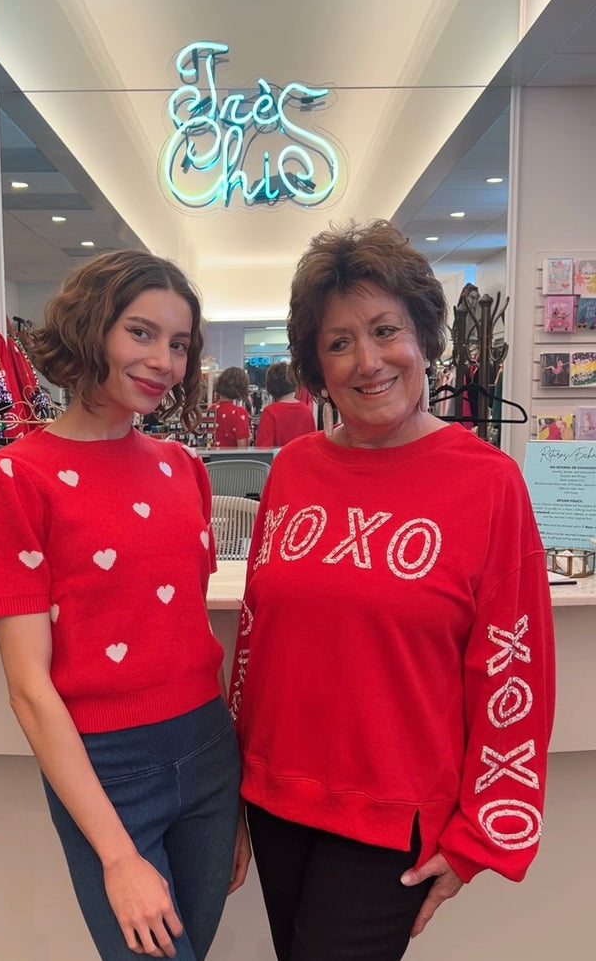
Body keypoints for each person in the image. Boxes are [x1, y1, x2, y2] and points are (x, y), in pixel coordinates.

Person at [229, 220, 555, 961]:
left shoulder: (488, 480)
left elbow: (515, 664)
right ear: (315, 363)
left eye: (385, 331)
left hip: (391, 815)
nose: (367, 361)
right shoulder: (292, 469)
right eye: (339, 341)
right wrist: (235, 785)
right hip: (276, 796)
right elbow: (256, 636)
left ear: (424, 340)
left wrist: (482, 832)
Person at [0, 250, 250, 961]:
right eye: (141, 333)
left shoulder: (183, 470)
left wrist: (234, 800)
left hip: (209, 751)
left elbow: (185, 633)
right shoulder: (7, 482)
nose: (164, 361)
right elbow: (29, 691)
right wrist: (117, 856)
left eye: (178, 344)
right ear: (91, 330)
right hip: (107, 770)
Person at [254, 361, 316, 448]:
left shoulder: (270, 412)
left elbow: (263, 449)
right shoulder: (306, 411)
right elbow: (312, 445)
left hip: (278, 460)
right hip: (302, 460)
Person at [210, 366, 252, 448]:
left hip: (211, 459)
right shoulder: (239, 413)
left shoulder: (210, 410)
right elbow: (242, 447)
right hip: (231, 459)